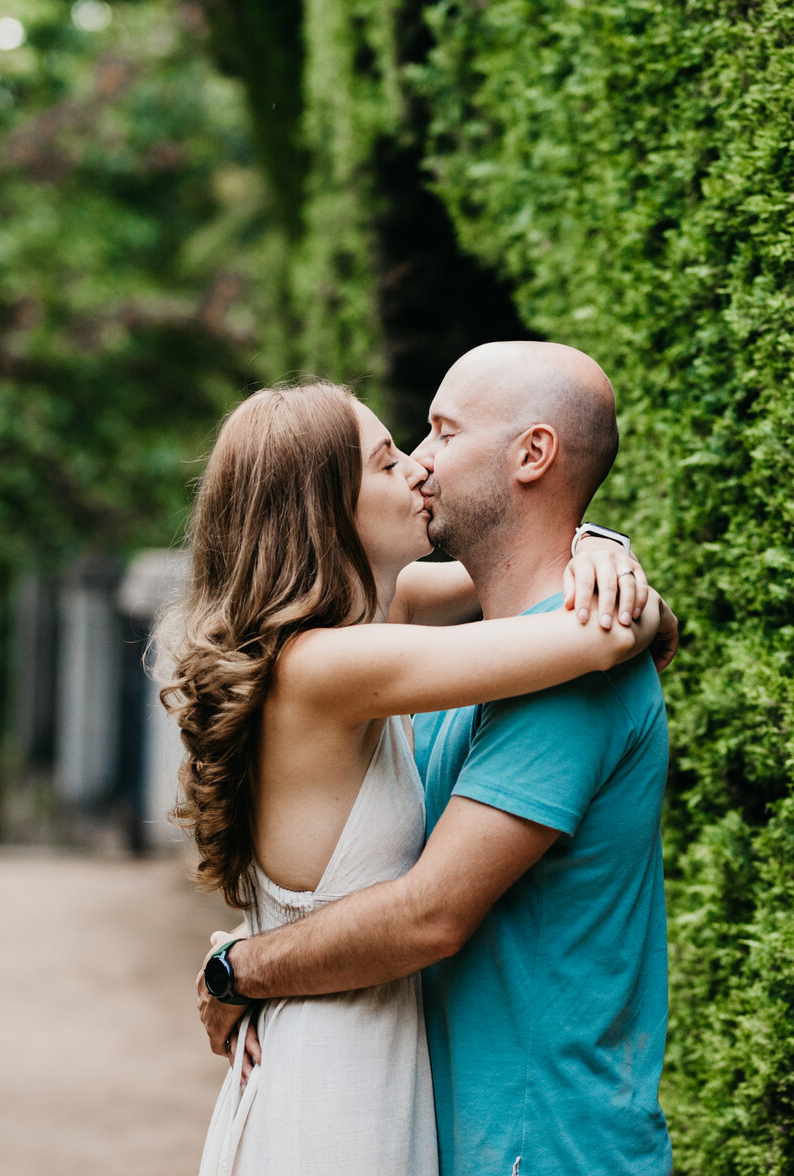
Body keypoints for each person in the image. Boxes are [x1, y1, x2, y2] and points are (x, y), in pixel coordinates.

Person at [164, 374, 669, 1176]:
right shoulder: (335, 663)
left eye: (428, 440)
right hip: (342, 1073)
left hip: (353, 1044)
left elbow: (513, 565)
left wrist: (598, 544)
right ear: (325, 511)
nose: (418, 468)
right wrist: (628, 597)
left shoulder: (372, 620)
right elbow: (596, 637)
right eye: (389, 456)